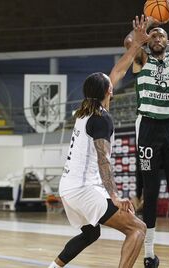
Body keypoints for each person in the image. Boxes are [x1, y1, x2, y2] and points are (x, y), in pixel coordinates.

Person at [48, 16, 149, 268]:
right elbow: (103, 160)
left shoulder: (83, 111)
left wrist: (136, 44)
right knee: (138, 228)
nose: (113, 85)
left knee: (91, 233)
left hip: (68, 188)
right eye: (110, 85)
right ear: (108, 92)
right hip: (83, 189)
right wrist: (114, 195)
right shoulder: (102, 118)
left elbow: (118, 71)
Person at [124, 1, 169, 267]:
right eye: (153, 36)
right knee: (150, 192)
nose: (156, 37)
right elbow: (129, 41)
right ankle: (149, 254)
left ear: (167, 41)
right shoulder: (141, 59)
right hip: (149, 128)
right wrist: (151, 21)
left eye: (161, 35)